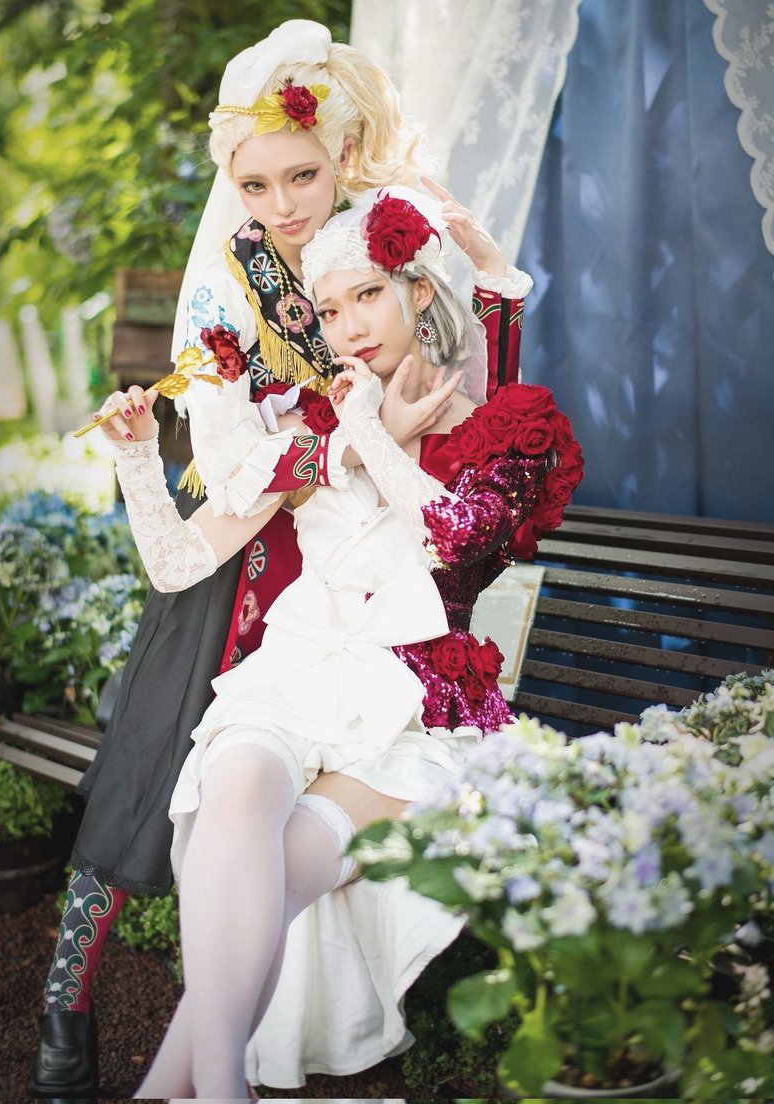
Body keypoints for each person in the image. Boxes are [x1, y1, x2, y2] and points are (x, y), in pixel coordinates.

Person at [32, 22, 534, 1098]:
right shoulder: (235, 271)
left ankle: (205, 1066)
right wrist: (276, 451)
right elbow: (216, 478)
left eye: (300, 176)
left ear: (340, 154)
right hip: (263, 540)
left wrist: (492, 289)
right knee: (158, 751)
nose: (279, 204)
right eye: (254, 185)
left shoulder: (387, 244)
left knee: (257, 813)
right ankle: (67, 1003)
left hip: (383, 588)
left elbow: (478, 423)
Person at [96, 189, 583, 1098]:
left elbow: (456, 537)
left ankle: (178, 1091)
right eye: (327, 310)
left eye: (367, 295)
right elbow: (175, 563)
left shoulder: (504, 427)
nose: (349, 326)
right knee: (236, 791)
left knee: (263, 883)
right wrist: (137, 456)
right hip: (294, 677)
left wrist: (371, 433)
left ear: (417, 293)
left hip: (410, 707)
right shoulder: (309, 435)